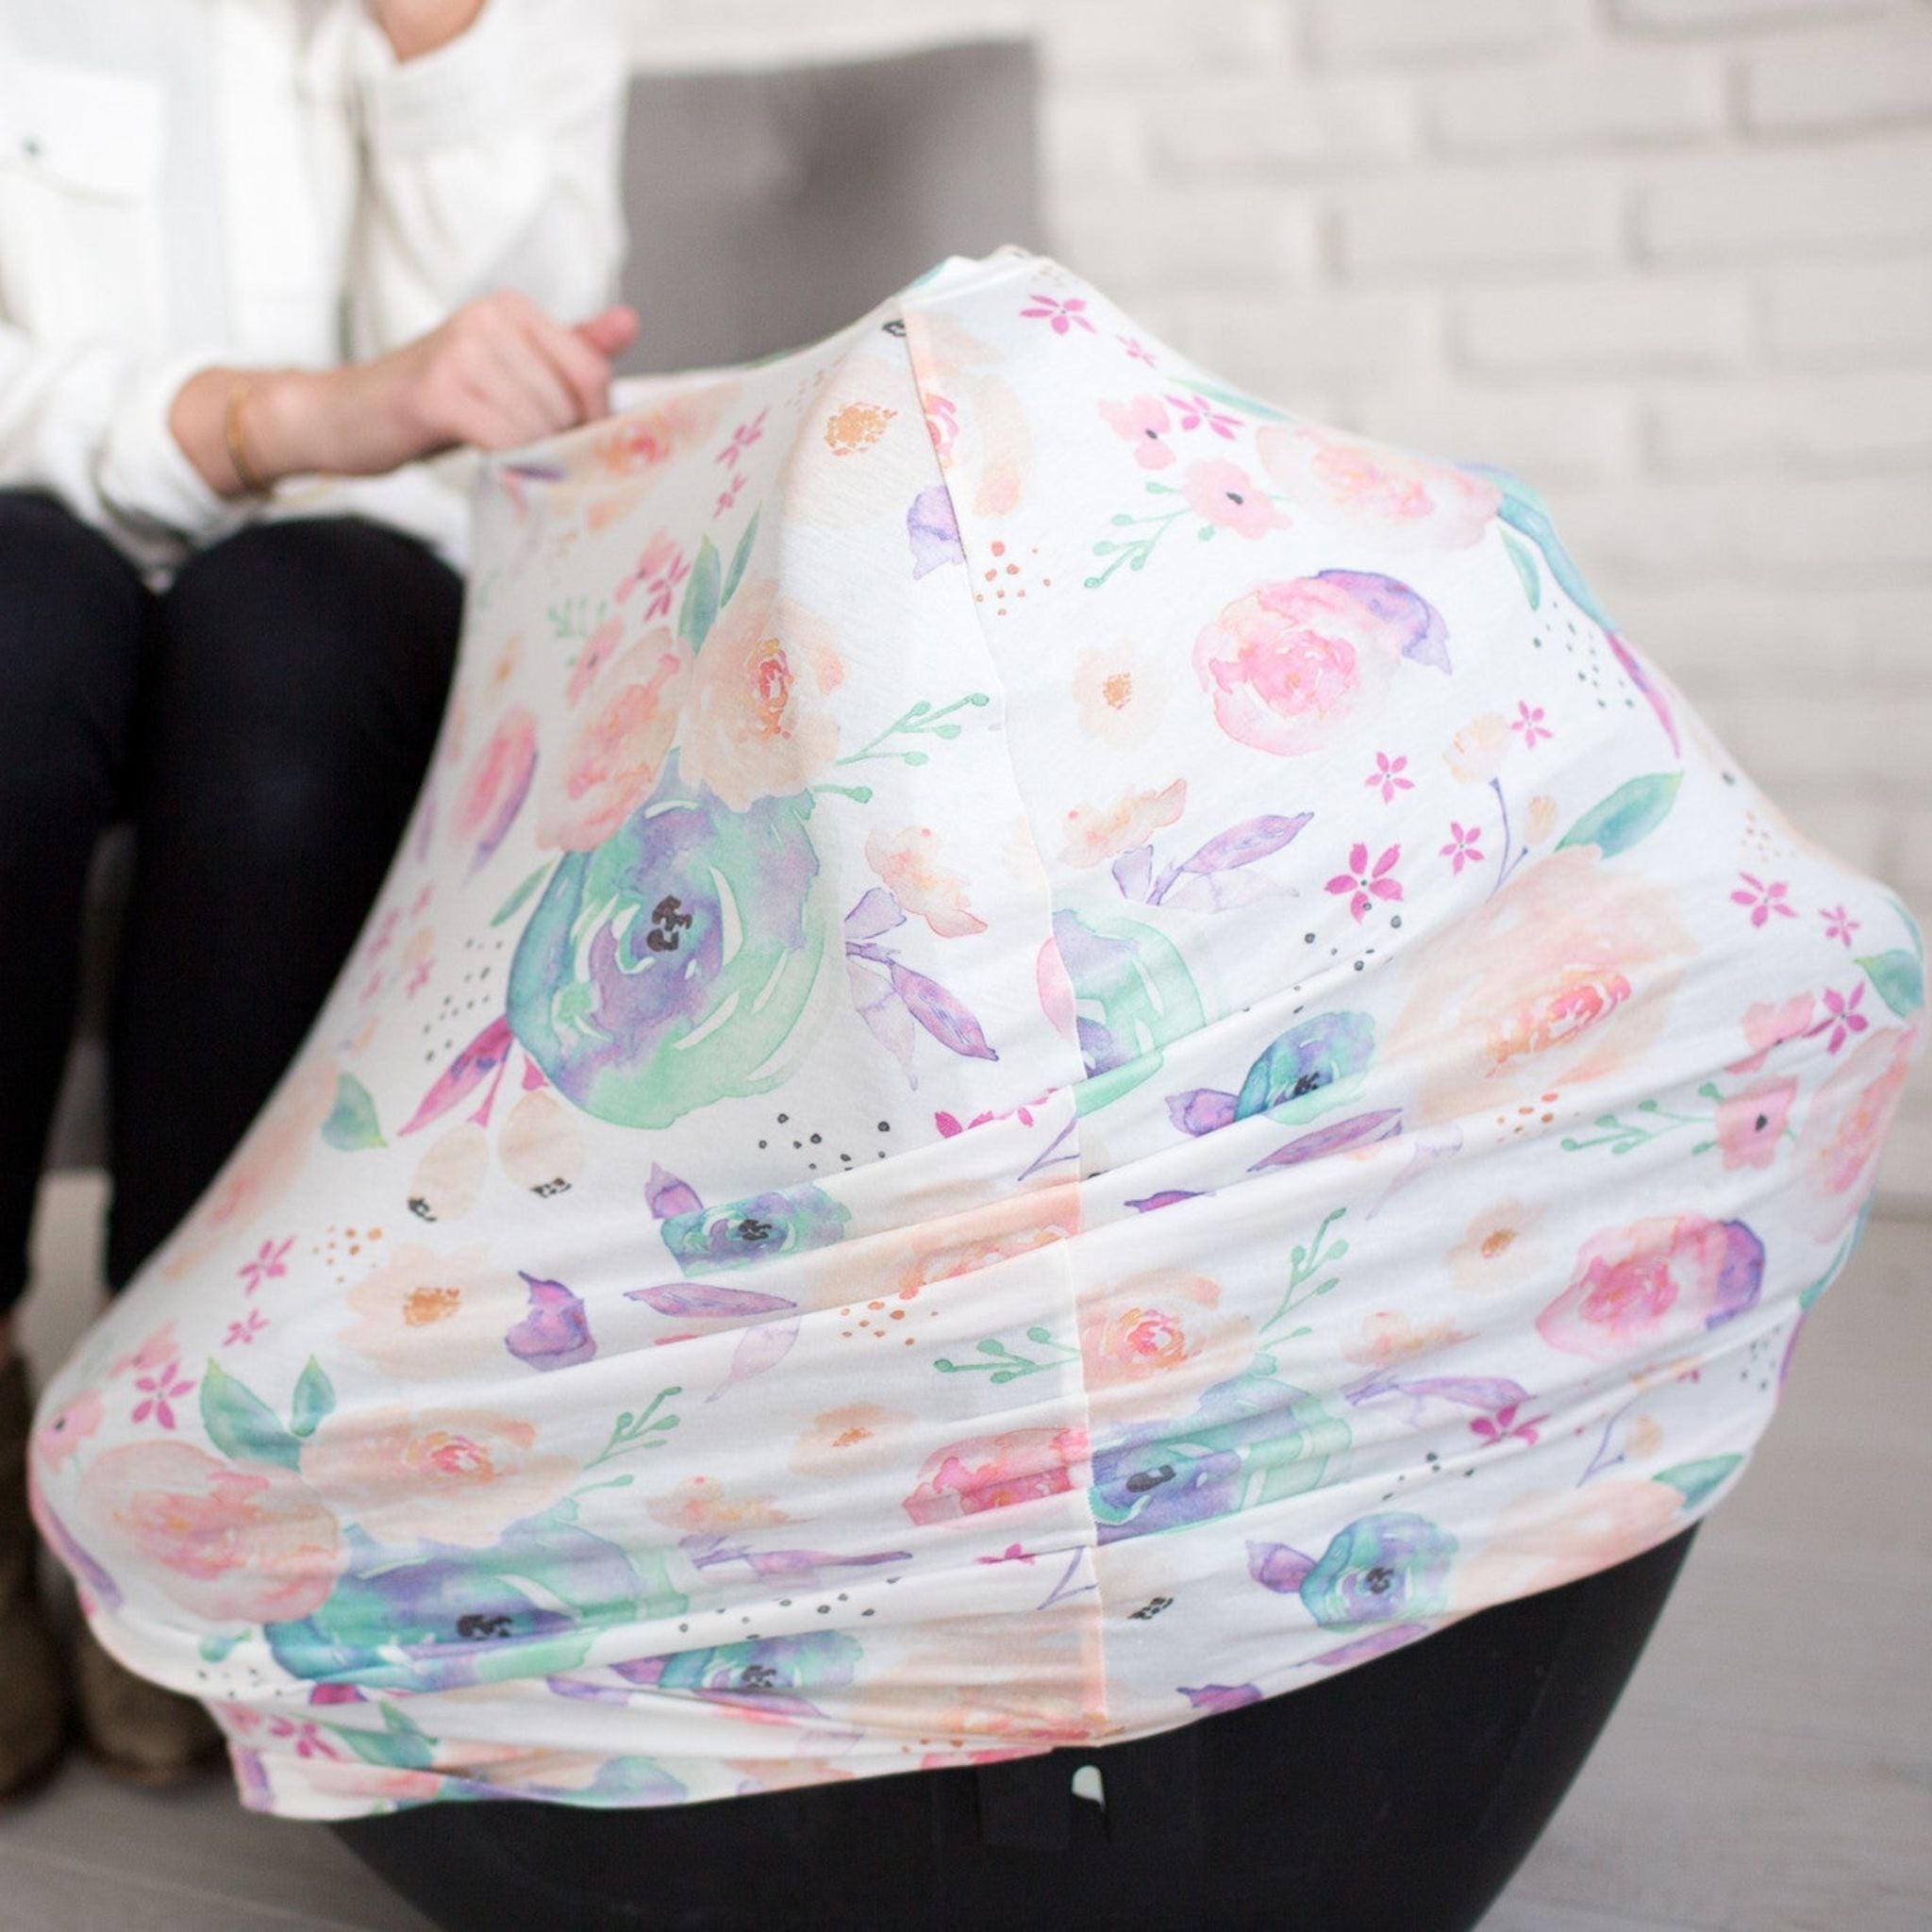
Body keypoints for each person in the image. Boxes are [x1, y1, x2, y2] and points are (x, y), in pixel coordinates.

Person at [27, 244, 1921, 1932]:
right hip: (138, 504)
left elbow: (520, 383)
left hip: (390, 560)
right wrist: (269, 417)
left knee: (310, 627)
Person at [0, 0, 632, 1799]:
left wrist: (438, 42)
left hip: (354, 560)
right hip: (25, 500)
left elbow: (525, 385)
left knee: (289, 673)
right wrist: (274, 418)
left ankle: (172, 1444)